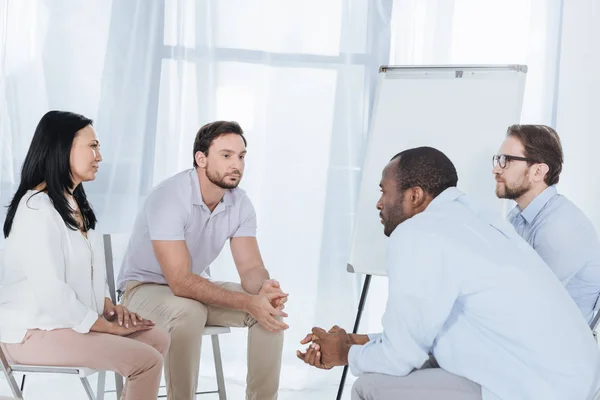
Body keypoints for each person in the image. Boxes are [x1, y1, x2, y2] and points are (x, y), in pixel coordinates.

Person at [297, 147, 600, 400]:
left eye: (384, 192)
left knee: (370, 387)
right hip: (571, 381)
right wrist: (353, 340)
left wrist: (343, 354)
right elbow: (430, 330)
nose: (379, 203)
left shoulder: (419, 232)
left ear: (414, 195)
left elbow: (401, 357)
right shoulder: (474, 218)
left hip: (536, 389)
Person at [0, 111, 170, 400]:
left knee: (157, 338)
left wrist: (108, 308)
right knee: (146, 361)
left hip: (64, 323)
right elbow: (50, 292)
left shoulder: (71, 202)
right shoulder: (36, 209)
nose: (99, 156)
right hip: (31, 331)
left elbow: (85, 274)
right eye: (92, 146)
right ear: (63, 148)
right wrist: (104, 327)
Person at [117, 120, 288, 400]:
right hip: (142, 291)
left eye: (241, 156)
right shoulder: (170, 197)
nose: (237, 164)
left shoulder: (240, 203)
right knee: (189, 311)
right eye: (226, 155)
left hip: (191, 292)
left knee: (269, 312)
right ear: (201, 158)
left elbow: (251, 268)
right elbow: (181, 282)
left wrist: (265, 289)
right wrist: (248, 301)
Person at [493, 124, 600, 323]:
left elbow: (528, 304)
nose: (496, 169)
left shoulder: (561, 226)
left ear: (538, 171)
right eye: (498, 159)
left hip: (556, 347)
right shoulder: (519, 217)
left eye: (506, 160)